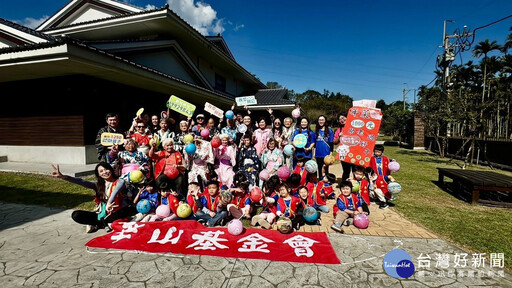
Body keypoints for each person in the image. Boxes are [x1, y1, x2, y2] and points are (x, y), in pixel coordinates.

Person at [51, 162, 136, 233]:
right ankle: (102, 223)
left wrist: (109, 203)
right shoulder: (98, 185)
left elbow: (116, 190)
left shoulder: (120, 181)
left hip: (119, 211)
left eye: (106, 169)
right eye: (101, 171)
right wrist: (64, 177)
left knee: (119, 214)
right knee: (76, 215)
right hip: (103, 214)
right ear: (98, 174)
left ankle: (101, 224)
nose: (105, 172)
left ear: (111, 169)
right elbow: (82, 181)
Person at [333, 113, 353, 181]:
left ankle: (357, 185)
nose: (342, 120)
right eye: (340, 119)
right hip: (344, 153)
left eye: (343, 118)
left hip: (355, 152)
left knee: (356, 170)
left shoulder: (355, 127)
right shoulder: (339, 130)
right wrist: (339, 137)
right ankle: (344, 185)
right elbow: (335, 142)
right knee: (346, 171)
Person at [314, 115, 334, 179]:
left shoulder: (329, 130)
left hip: (326, 152)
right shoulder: (316, 131)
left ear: (325, 121)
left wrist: (331, 152)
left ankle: (327, 180)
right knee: (319, 168)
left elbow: (331, 142)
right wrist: (314, 152)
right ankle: (320, 180)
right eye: (320, 120)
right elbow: (315, 143)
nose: (321, 121)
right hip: (318, 152)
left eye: (322, 120)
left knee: (326, 167)